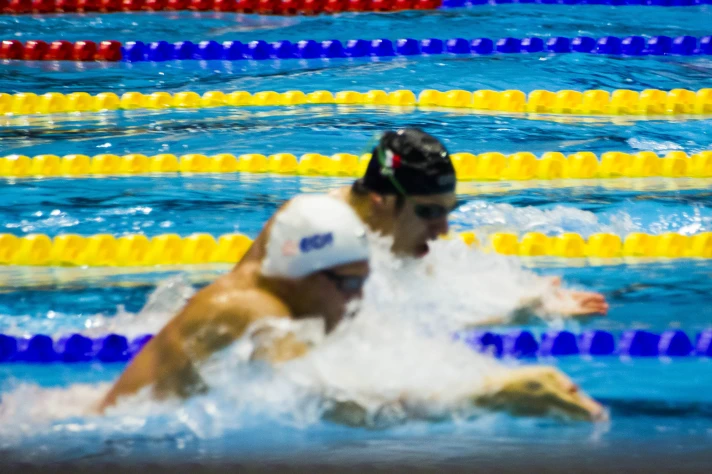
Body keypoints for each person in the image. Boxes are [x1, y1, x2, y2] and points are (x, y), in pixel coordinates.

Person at [99, 194, 605, 423]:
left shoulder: (290, 298)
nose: (357, 299)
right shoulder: (250, 309)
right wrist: (490, 394)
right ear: (308, 275)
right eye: (349, 285)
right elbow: (327, 402)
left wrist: (516, 309)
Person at [331, 128, 609, 319]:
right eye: (429, 212)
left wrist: (521, 294)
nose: (443, 230)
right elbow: (383, 336)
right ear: (383, 201)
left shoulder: (385, 233)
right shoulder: (323, 240)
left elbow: (430, 288)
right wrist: (511, 314)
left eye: (448, 211)